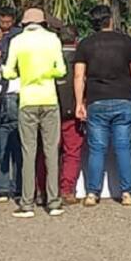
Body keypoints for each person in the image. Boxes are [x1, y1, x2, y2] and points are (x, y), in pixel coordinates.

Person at [3, 8, 67, 218]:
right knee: (51, 151)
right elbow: (61, 70)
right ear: (43, 23)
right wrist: (45, 72)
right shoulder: (53, 39)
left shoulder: (17, 41)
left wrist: (20, 72)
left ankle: (27, 203)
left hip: (28, 101)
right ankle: (54, 202)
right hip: (49, 99)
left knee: (28, 152)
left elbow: (9, 71)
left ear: (24, 23)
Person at [74, 4, 131, 207]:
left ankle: (92, 193)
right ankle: (127, 192)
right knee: (122, 147)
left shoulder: (85, 44)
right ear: (110, 19)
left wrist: (79, 103)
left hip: (96, 100)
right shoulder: (128, 42)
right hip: (123, 99)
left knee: (97, 149)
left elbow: (79, 76)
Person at [40, 24, 84, 205]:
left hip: (50, 107)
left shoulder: (48, 57)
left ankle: (43, 190)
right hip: (72, 110)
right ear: (76, 39)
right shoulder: (80, 58)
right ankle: (67, 190)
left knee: (46, 151)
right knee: (72, 151)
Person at [0, 7, 23, 203]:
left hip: (13, 90)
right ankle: (4, 187)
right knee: (2, 144)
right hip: (0, 92)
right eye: (2, 22)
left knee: (15, 143)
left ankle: (17, 186)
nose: (5, 25)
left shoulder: (19, 36)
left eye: (8, 22)